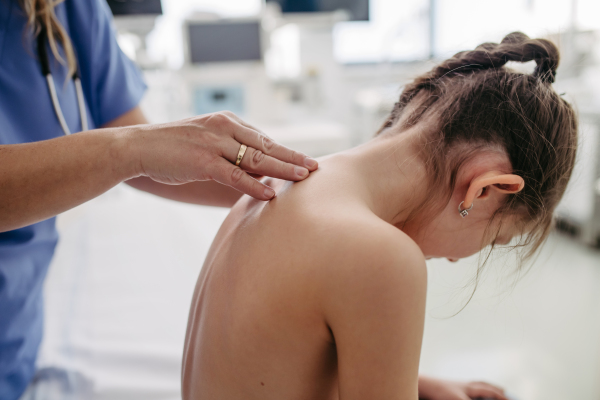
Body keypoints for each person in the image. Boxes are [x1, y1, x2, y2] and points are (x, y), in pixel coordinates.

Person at [182, 32, 577, 400]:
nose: (458, 258)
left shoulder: (277, 181)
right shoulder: (379, 256)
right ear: (485, 189)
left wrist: (418, 384)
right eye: (495, 238)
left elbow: (280, 358)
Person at [0, 1, 319, 399]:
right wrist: (129, 149)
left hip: (17, 336)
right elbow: (131, 149)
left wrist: (295, 185)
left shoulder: (73, 10)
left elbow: (136, 145)